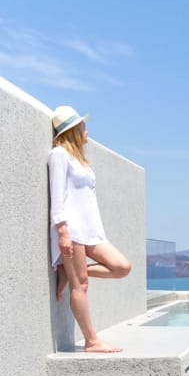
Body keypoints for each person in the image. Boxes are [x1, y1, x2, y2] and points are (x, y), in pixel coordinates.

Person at [49, 105, 130, 352]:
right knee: (80, 285)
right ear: (73, 129)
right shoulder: (59, 155)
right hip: (72, 230)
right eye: (83, 125)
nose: (87, 130)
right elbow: (57, 195)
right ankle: (91, 340)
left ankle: (69, 270)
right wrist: (62, 231)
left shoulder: (80, 160)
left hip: (92, 230)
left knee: (121, 267)